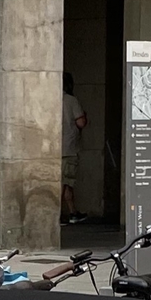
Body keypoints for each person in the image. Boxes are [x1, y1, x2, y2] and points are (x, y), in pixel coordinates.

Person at [60, 73, 87, 223]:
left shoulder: (51, 98)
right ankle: (55, 215)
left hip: (54, 148)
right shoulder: (71, 100)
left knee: (67, 182)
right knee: (65, 182)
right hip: (68, 148)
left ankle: (73, 212)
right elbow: (81, 122)